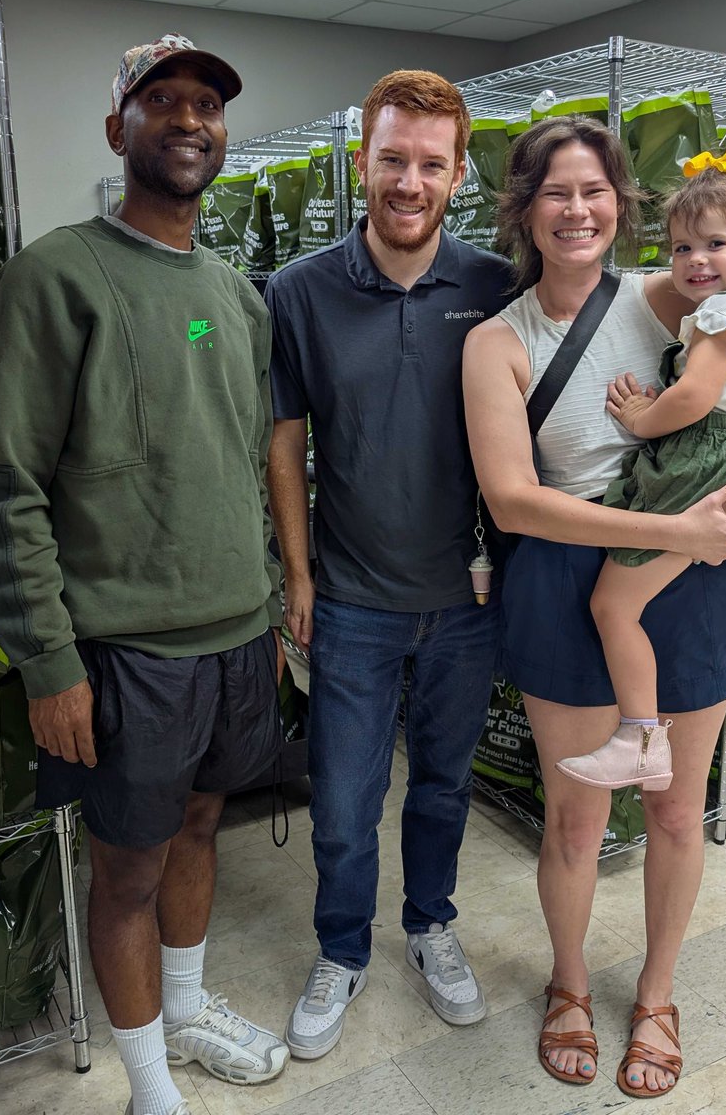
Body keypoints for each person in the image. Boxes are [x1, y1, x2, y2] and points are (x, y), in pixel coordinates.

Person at [0, 35, 289, 1115]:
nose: (189, 119)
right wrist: (49, 661)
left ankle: (184, 1014)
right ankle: (150, 1087)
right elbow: (1, 488)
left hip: (235, 637)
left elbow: (242, 462)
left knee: (198, 830)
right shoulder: (53, 277)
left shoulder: (237, 296)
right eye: (162, 101)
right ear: (119, 130)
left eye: (207, 104)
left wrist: (276, 601)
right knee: (129, 870)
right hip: (122, 654)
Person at [462, 117, 726, 1098]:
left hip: (690, 577)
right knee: (572, 821)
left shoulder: (672, 293)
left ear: (621, 204)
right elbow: (511, 500)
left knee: (673, 811)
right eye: (554, 193)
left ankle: (655, 994)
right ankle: (567, 986)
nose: (577, 211)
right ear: (523, 209)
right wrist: (681, 534)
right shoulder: (499, 340)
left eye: (595, 191)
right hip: (572, 578)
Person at [266, 69, 515, 1060]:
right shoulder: (300, 292)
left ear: (457, 174)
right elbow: (286, 442)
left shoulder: (496, 286)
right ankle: (342, 947)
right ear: (359, 164)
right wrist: (297, 576)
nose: (407, 182)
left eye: (428, 164)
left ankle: (429, 926)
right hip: (353, 603)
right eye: (390, 160)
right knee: (341, 801)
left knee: (444, 786)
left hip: (467, 601)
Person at [558, 154, 726, 792]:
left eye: (716, 244)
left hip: (698, 473)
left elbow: (694, 398)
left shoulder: (721, 318)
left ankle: (640, 735)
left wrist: (641, 418)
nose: (696, 260)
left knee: (614, 604)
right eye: (682, 248)